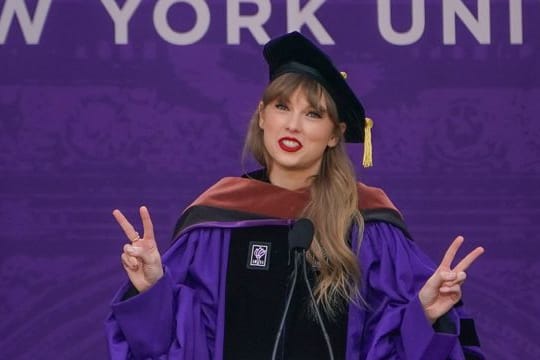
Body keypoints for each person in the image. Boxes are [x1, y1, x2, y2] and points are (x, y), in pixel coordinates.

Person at [106, 32, 485, 359]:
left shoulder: (369, 225)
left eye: (313, 114)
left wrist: (424, 314)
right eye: (282, 107)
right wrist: (154, 288)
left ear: (335, 134)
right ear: (262, 115)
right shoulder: (215, 222)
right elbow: (178, 343)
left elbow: (391, 340)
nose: (292, 124)